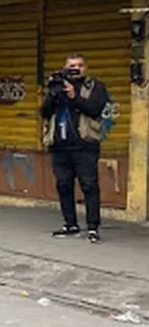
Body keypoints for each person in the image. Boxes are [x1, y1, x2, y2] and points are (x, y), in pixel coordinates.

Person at [40, 53, 110, 243]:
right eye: (71, 66)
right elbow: (44, 112)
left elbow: (95, 109)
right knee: (63, 185)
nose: (75, 69)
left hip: (85, 145)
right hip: (60, 146)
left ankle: (93, 227)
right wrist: (52, 93)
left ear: (85, 68)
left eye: (79, 65)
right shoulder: (58, 85)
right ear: (65, 68)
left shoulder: (94, 87)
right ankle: (70, 224)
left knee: (89, 185)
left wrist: (74, 96)